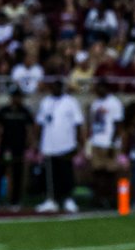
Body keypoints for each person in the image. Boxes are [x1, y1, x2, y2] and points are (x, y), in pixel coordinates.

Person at [35, 79, 84, 213]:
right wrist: (37, 142)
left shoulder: (71, 102)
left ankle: (68, 199)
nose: (56, 88)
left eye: (59, 86)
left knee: (66, 174)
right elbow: (40, 123)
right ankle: (51, 200)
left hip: (66, 144)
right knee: (51, 176)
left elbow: (78, 123)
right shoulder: (46, 102)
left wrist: (79, 142)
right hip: (49, 144)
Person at [0, 88, 35, 210]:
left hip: (19, 148)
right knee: (0, 173)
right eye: (16, 97)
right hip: (6, 147)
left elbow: (30, 128)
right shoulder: (4, 111)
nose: (18, 99)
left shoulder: (25, 112)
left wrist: (30, 143)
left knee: (17, 174)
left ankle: (15, 201)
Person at [87, 79, 124, 208]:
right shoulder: (95, 103)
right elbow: (92, 124)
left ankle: (112, 199)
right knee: (97, 172)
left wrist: (113, 144)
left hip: (108, 143)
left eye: (99, 87)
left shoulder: (114, 103)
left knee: (110, 173)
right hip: (97, 141)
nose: (96, 90)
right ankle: (99, 198)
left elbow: (118, 125)